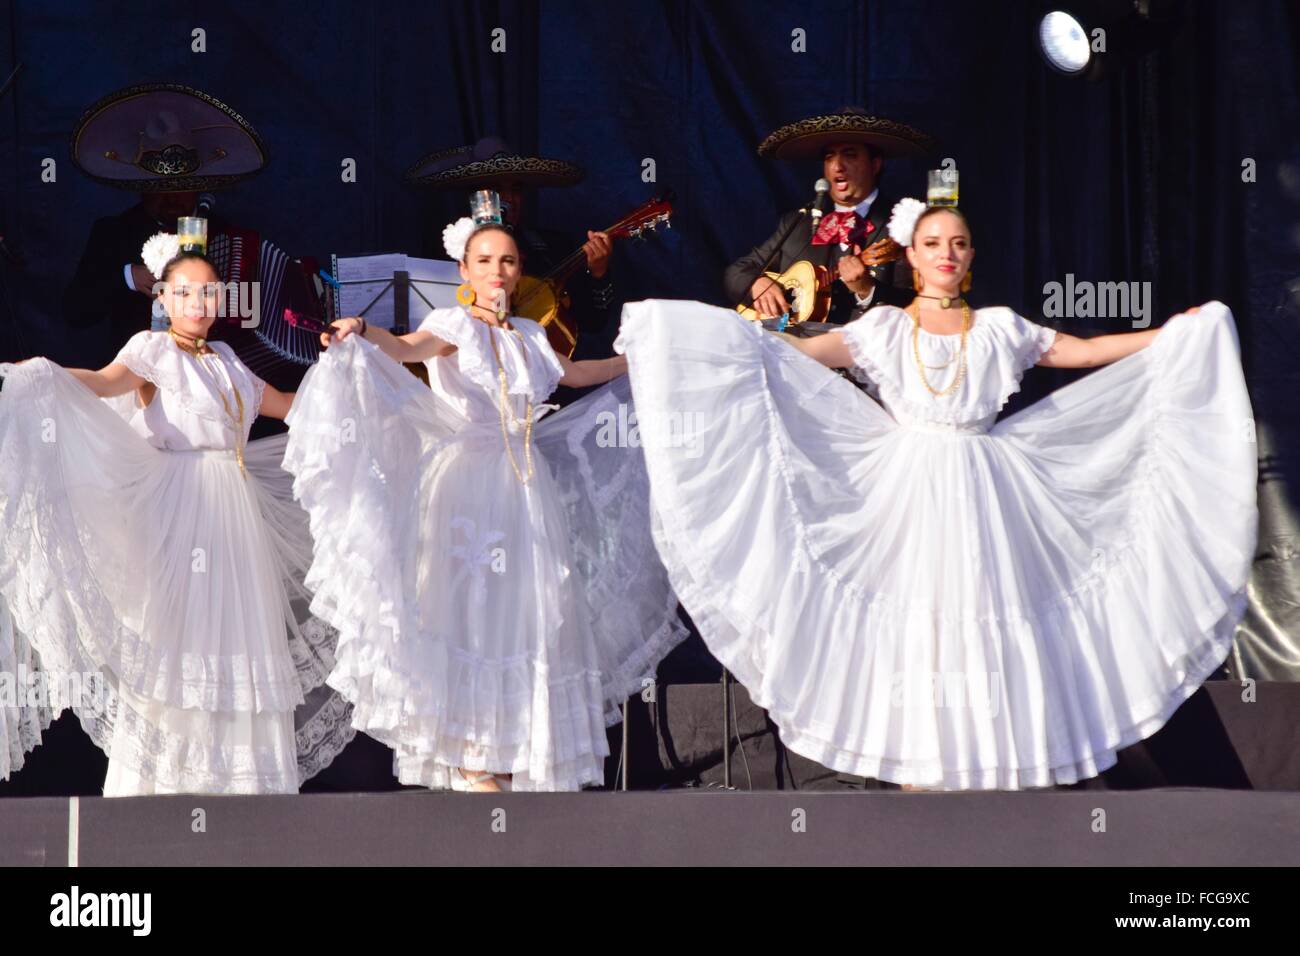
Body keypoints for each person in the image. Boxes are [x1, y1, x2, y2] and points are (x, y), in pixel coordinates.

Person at [616, 200, 1257, 790]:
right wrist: (701, 332)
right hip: (909, 487)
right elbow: (800, 350)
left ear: (972, 256)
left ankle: (996, 750)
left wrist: (1172, 334)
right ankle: (923, 760)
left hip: (985, 486)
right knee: (919, 614)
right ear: (912, 255)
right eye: (933, 243)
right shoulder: (888, 329)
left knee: (985, 607)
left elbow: (1085, 351)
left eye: (959, 243)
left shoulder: (1001, 328)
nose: (946, 252)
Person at [282, 221, 686, 792]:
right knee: (469, 610)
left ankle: (508, 749)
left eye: (509, 261)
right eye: (486, 261)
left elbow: (574, 375)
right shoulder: (452, 324)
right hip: (467, 485)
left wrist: (635, 363)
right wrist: (363, 328)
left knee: (526, 612)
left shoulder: (530, 332)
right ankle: (470, 754)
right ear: (465, 272)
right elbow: (404, 349)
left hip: (525, 489)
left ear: (520, 272)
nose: (498, 271)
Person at [0, 237, 352, 795]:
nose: (198, 302)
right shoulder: (152, 350)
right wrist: (47, 374)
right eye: (186, 291)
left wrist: (345, 368)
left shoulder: (229, 359)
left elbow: (289, 407)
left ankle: (241, 785)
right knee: (183, 635)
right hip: (181, 509)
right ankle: (168, 783)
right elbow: (104, 382)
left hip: (235, 511)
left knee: (237, 634)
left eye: (209, 292)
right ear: (163, 296)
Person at [725, 108, 935, 326]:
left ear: (875, 164)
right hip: (789, 346)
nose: (837, 166)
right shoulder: (798, 222)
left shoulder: (904, 224)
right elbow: (737, 271)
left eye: (850, 154)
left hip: (862, 352)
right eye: (829, 157)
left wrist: (867, 290)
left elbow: (923, 305)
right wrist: (757, 284)